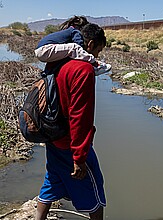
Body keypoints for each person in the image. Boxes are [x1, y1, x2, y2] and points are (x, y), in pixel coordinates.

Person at [35, 23, 107, 220]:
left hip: (52, 137)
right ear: (90, 44)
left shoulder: (57, 63)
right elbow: (80, 117)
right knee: (95, 192)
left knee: (52, 181)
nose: (97, 57)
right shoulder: (83, 69)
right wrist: (79, 157)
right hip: (70, 144)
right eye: (98, 50)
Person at [35, 16, 111, 76]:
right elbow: (79, 46)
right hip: (45, 49)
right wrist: (91, 60)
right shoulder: (75, 31)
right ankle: (95, 65)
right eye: (98, 51)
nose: (97, 55)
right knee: (74, 48)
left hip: (42, 50)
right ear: (91, 44)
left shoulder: (69, 32)